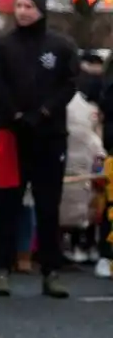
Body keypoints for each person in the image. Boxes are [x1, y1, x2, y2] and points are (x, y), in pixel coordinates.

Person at [0, 0, 78, 299]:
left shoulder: (61, 46)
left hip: (49, 138)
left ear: (41, 9)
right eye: (20, 5)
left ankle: (51, 271)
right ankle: (2, 268)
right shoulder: (0, 47)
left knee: (48, 207)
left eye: (30, 6)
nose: (23, 11)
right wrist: (14, 114)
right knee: (8, 205)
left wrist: (43, 113)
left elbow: (69, 85)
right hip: (12, 137)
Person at [60, 74, 104, 263]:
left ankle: (67, 245)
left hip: (65, 162)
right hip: (86, 166)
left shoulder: (61, 105)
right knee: (89, 206)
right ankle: (86, 245)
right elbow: (97, 147)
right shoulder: (88, 112)